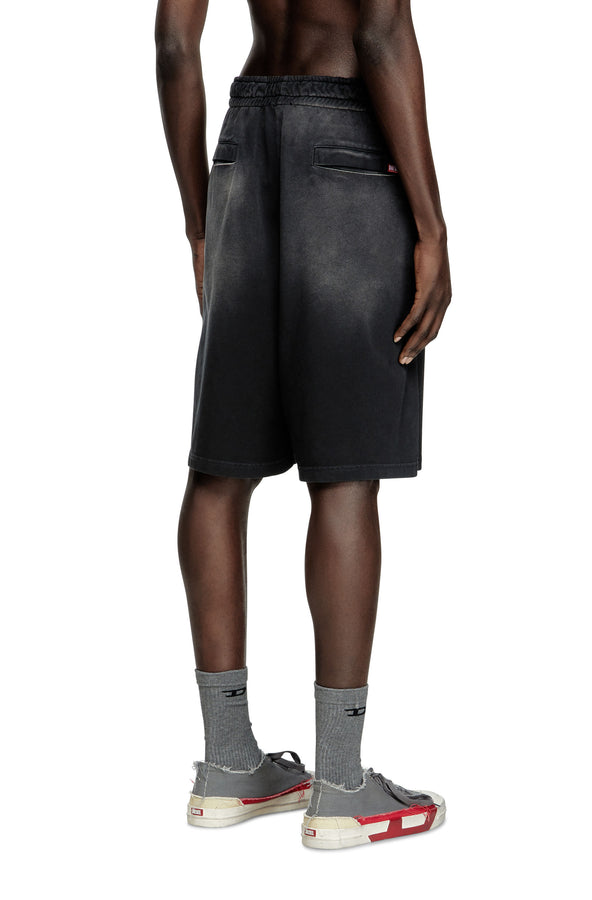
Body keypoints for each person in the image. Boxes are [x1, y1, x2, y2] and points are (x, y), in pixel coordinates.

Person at [155, 0, 452, 850]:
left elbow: (174, 41)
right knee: (345, 471)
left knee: (220, 469)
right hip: (346, 143)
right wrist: (431, 226)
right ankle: (342, 786)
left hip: (244, 145)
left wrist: (199, 217)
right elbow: (380, 31)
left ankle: (228, 764)